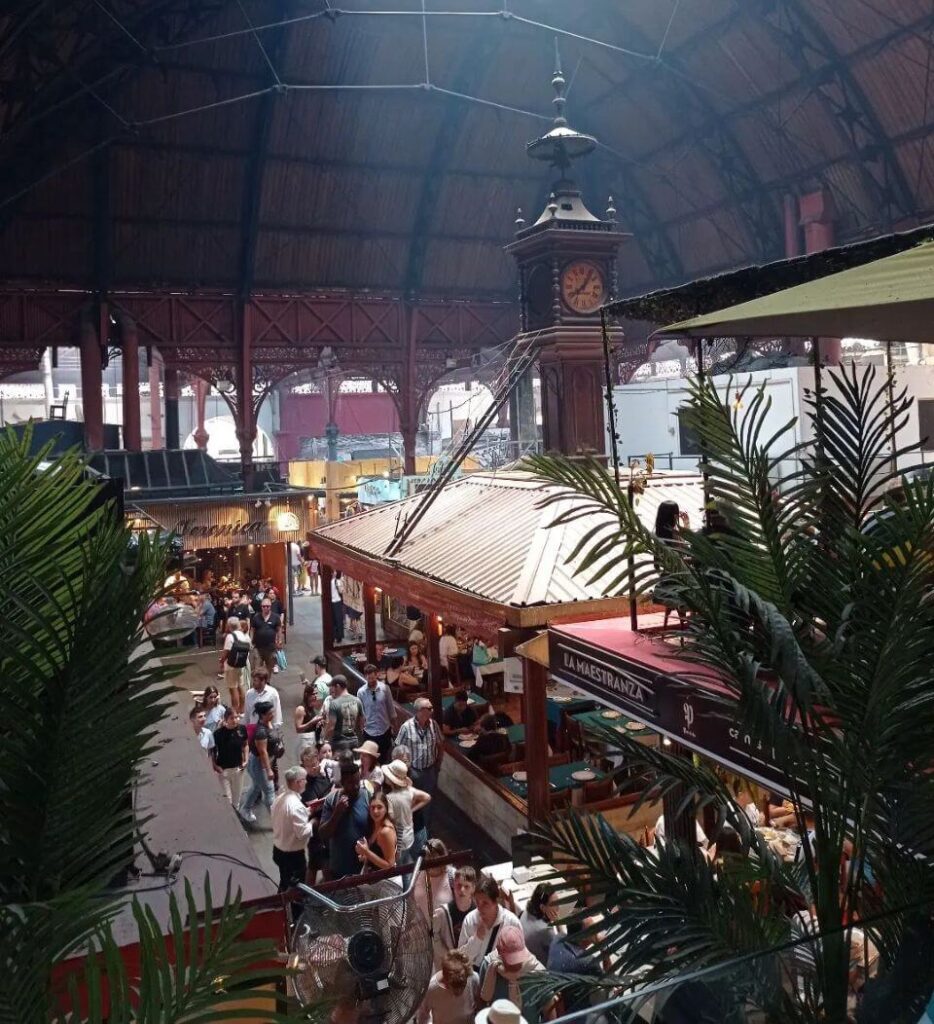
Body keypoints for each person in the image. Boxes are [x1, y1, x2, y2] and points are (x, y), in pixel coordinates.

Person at [477, 925, 551, 1023]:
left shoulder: (538, 974)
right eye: (511, 960)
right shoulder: (488, 967)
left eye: (518, 958)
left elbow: (549, 1010)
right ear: (499, 952)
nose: (516, 964)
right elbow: (482, 1001)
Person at [271, 765, 316, 918]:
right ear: (297, 782)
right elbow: (302, 833)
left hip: (278, 849)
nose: (306, 783)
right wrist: (312, 823)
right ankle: (296, 920)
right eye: (304, 780)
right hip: (292, 856)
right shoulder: (296, 806)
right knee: (296, 890)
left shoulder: (280, 799)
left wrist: (308, 811)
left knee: (284, 883)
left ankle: (278, 911)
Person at [318, 753, 372, 879]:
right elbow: (323, 834)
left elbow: (375, 827)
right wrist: (337, 813)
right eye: (350, 783)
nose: (356, 786)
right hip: (339, 867)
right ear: (342, 782)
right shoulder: (331, 801)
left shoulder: (367, 796)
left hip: (363, 866)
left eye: (357, 781)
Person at [395, 697, 443, 825]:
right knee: (413, 800)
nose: (432, 711)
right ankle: (412, 827)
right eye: (429, 708)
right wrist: (404, 770)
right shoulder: (406, 727)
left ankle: (426, 830)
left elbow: (440, 744)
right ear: (420, 711)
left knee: (429, 802)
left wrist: (438, 764)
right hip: (413, 771)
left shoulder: (434, 725)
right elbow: (399, 749)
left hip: (430, 770)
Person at [458, 874, 521, 968]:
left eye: (485, 903)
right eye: (477, 902)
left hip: (500, 973)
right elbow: (460, 959)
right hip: (473, 972)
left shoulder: (512, 922)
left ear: (495, 902)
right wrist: (477, 938)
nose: (479, 908)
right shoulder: (470, 920)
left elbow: (518, 957)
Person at [546, 918, 602, 1016]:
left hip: (555, 1001)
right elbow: (610, 980)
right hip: (575, 1013)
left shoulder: (557, 938)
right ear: (584, 936)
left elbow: (563, 934)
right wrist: (603, 948)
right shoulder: (588, 961)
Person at [381, 759, 431, 865]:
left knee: (401, 870)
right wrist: (411, 809)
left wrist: (397, 850)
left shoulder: (390, 798)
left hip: (400, 842)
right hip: (410, 835)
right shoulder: (409, 791)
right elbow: (427, 797)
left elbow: (398, 826)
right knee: (411, 866)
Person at [299, 744, 334, 884]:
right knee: (315, 864)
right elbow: (315, 806)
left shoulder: (324, 774)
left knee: (326, 862)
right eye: (309, 766)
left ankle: (328, 888)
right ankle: (308, 896)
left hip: (329, 824)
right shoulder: (305, 785)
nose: (313, 768)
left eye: (315, 764)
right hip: (316, 829)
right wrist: (332, 794)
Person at [417, 949, 480, 1024]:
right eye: (455, 987)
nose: (459, 992)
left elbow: (478, 1003)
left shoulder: (474, 978)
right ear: (445, 979)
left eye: (463, 986)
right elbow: (422, 1017)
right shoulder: (431, 990)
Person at [238, 700, 276, 823]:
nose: (273, 714)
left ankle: (245, 809)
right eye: (270, 713)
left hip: (260, 763)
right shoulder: (261, 732)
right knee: (269, 791)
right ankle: (276, 820)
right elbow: (263, 752)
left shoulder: (267, 724)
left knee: (256, 787)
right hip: (259, 765)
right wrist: (269, 770)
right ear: (263, 715)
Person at [433, 865, 476, 970]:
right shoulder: (442, 912)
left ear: (473, 888)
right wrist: (447, 954)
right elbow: (433, 936)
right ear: (453, 886)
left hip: (469, 965)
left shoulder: (477, 913)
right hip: (448, 966)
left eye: (466, 886)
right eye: (459, 885)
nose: (462, 890)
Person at [359, 663, 396, 763]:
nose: (369, 677)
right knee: (371, 760)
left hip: (384, 729)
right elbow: (360, 712)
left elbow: (391, 708)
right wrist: (362, 728)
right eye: (367, 674)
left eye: (372, 674)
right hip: (369, 731)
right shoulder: (361, 692)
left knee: (385, 759)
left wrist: (393, 726)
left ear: (377, 674)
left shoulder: (385, 688)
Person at [211, 706, 248, 806]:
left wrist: (246, 759)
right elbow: (212, 752)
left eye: (236, 717)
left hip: (238, 769)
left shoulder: (242, 729)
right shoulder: (218, 734)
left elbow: (245, 745)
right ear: (226, 719)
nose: (235, 720)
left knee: (237, 800)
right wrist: (215, 766)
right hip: (224, 770)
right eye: (232, 718)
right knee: (228, 800)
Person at [414, 837, 454, 924]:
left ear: (443, 857)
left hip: (443, 931)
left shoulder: (452, 876)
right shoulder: (418, 874)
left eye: (434, 859)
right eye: (428, 859)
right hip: (421, 930)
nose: (430, 863)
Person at [356, 791, 398, 872]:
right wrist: (366, 856)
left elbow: (390, 865)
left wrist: (367, 852)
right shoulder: (374, 825)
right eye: (373, 807)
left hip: (386, 880)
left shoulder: (386, 832)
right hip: (374, 878)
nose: (375, 811)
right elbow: (379, 854)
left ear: (386, 809)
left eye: (379, 807)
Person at [519, 884, 560, 966]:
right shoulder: (545, 930)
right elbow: (560, 952)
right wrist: (559, 923)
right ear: (542, 907)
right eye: (554, 903)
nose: (558, 907)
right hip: (541, 969)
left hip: (525, 960)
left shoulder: (527, 911)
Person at [325, 675, 364, 754]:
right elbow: (362, 723)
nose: (331, 689)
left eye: (332, 687)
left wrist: (325, 738)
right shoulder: (357, 701)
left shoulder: (334, 704)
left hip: (339, 744)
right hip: (354, 742)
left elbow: (331, 727)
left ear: (338, 686)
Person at [222, 617, 251, 714]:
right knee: (240, 686)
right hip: (241, 664)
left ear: (229, 626)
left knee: (232, 688)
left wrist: (221, 661)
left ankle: (234, 709)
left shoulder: (230, 637)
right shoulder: (243, 635)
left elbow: (226, 652)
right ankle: (242, 708)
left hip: (231, 666)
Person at [250, 597, 283, 674]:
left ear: (270, 607)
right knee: (257, 668)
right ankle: (257, 683)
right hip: (258, 647)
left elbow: (279, 629)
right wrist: (251, 640)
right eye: (263, 606)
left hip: (271, 648)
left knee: (269, 667)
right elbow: (252, 630)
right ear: (261, 607)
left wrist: (280, 640)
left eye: (267, 606)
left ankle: (267, 683)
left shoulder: (275, 617)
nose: (265, 608)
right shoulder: (256, 617)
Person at [294, 681, 321, 759]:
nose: (315, 696)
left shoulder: (312, 707)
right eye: (313, 694)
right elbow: (298, 729)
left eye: (316, 694)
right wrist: (312, 722)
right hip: (304, 741)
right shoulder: (301, 709)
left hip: (313, 739)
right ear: (307, 695)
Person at [330, 571, 345, 643]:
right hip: (337, 602)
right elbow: (341, 591)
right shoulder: (337, 581)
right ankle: (339, 636)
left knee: (333, 620)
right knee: (338, 620)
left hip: (332, 602)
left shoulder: (329, 582)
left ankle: (333, 636)